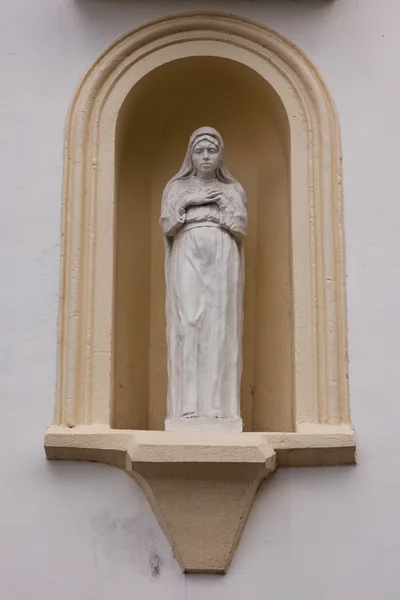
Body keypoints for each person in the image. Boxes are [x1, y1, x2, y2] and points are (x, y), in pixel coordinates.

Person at [160, 127, 247, 421]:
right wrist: (187, 202)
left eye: (212, 151)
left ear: (220, 155)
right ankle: (188, 404)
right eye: (200, 151)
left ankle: (217, 407)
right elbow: (168, 225)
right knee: (189, 322)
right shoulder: (177, 188)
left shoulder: (232, 190)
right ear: (191, 156)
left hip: (222, 252)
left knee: (219, 324)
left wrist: (222, 204)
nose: (206, 157)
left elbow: (239, 227)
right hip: (188, 250)